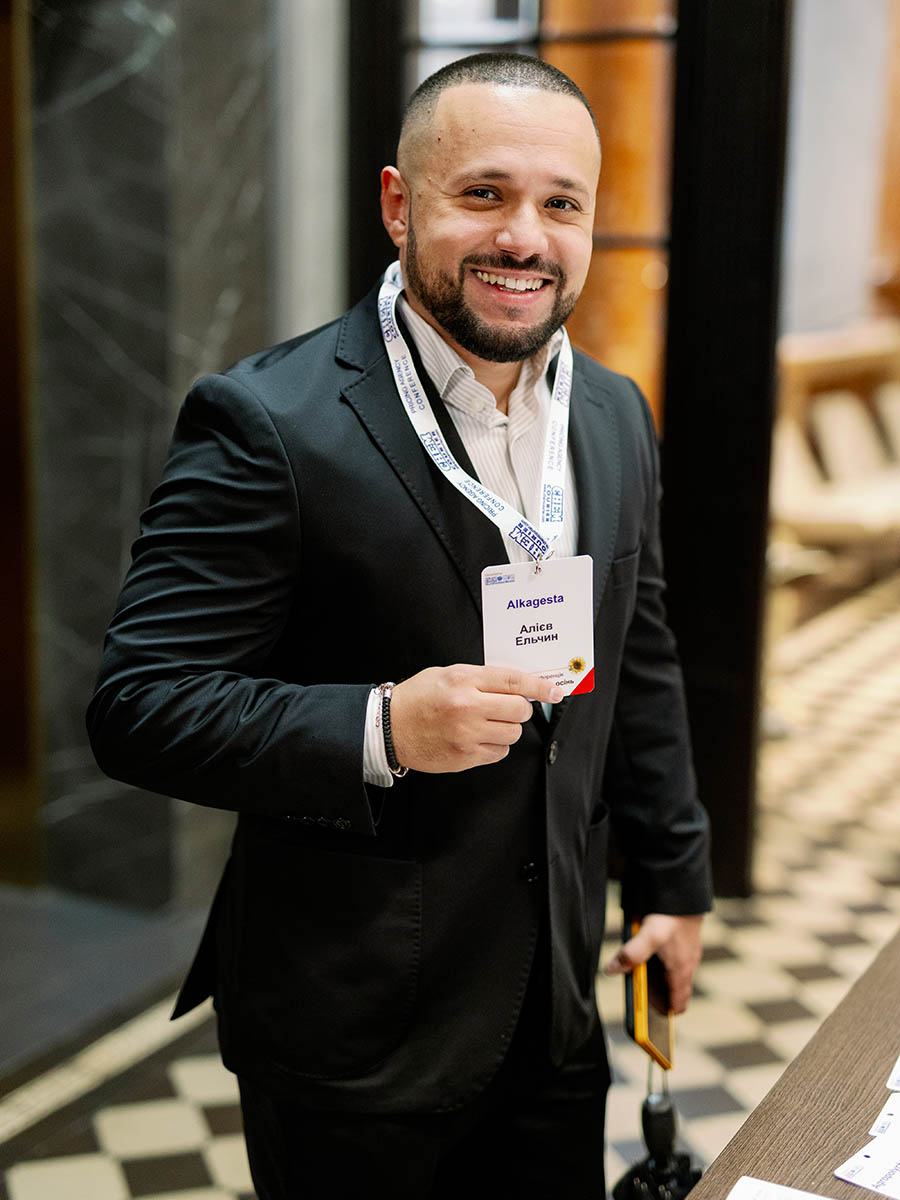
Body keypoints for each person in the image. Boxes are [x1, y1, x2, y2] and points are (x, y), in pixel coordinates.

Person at [87, 51, 711, 1199]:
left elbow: (643, 652)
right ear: (398, 203)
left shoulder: (614, 413)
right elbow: (140, 706)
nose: (524, 237)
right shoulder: (268, 422)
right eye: (484, 193)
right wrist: (383, 728)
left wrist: (673, 880)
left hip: (555, 1006)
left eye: (561, 204)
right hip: (355, 1034)